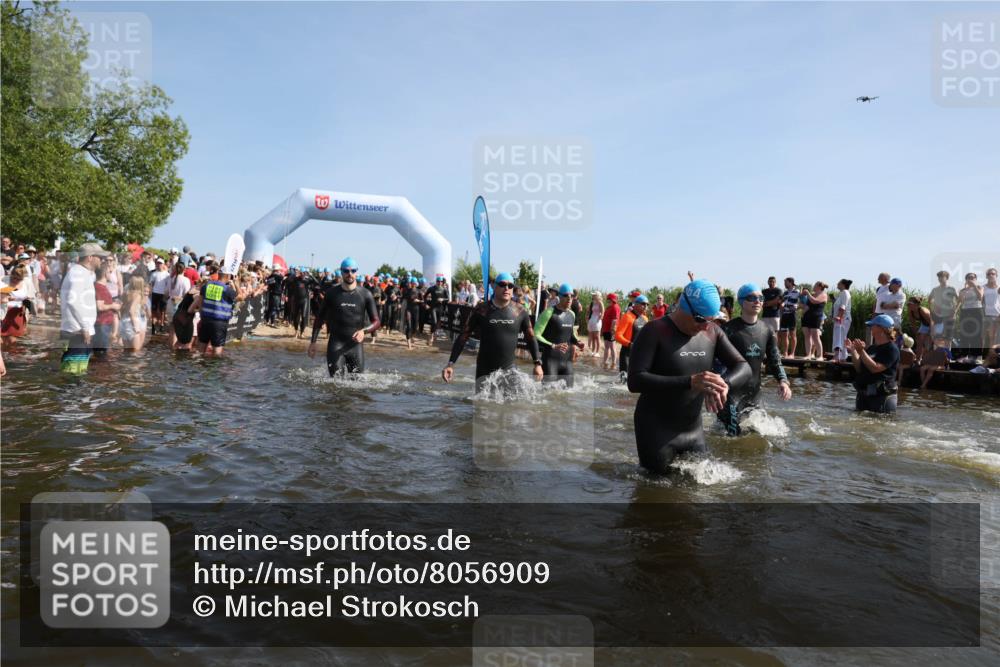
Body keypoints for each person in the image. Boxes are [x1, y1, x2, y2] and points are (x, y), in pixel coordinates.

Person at [627, 280, 751, 472]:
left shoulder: (712, 332)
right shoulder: (654, 331)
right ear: (683, 307)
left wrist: (722, 384)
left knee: (700, 495)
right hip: (656, 430)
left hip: (694, 431)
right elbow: (635, 381)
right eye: (701, 319)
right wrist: (690, 382)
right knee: (656, 491)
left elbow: (743, 366)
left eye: (710, 320)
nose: (705, 326)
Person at [442, 272, 542, 391]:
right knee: (481, 407)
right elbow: (463, 336)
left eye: (510, 286)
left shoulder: (520, 311)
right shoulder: (481, 309)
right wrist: (450, 364)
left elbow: (531, 338)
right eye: (502, 284)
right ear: (494, 286)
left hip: (509, 370)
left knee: (509, 407)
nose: (506, 288)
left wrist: (537, 364)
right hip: (484, 370)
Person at [717, 283, 792, 435]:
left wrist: (783, 381)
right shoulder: (728, 329)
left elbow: (775, 359)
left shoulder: (767, 330)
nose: (757, 301)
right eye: (752, 298)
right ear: (741, 302)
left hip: (754, 393)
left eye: (760, 298)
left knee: (758, 434)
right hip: (731, 394)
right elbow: (715, 361)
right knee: (732, 437)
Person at [308, 257, 381, 375]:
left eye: (353, 271)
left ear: (357, 272)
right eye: (346, 271)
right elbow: (319, 318)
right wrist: (313, 342)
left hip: (355, 346)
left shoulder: (365, 294)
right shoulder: (332, 293)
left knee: (356, 386)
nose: (349, 274)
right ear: (341, 272)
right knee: (335, 385)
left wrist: (364, 331)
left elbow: (377, 321)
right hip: (336, 344)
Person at [59, 243, 109, 373]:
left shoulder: (80, 272)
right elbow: (72, 301)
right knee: (72, 374)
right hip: (77, 331)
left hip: (77, 330)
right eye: (100, 257)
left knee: (76, 372)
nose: (102, 260)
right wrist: (85, 327)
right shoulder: (79, 274)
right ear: (90, 257)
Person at [845, 314, 900, 414]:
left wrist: (861, 351)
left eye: (873, 325)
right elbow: (859, 368)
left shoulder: (892, 349)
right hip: (865, 394)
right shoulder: (872, 348)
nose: (870, 327)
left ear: (881, 329)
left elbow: (875, 368)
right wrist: (853, 350)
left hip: (882, 397)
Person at [534, 283, 586, 386]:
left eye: (571, 296)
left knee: (569, 394)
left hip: (567, 362)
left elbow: (570, 334)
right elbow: (536, 335)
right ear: (560, 296)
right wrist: (553, 345)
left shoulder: (572, 314)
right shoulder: (549, 313)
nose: (569, 298)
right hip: (550, 361)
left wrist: (577, 342)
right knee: (548, 396)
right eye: (566, 295)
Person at [190, 266, 239, 357]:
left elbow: (200, 302)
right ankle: (215, 370)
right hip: (219, 323)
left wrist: (202, 314)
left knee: (200, 349)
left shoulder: (206, 286)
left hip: (206, 320)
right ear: (228, 276)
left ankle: (196, 368)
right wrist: (237, 283)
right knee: (217, 351)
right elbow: (241, 297)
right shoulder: (227, 289)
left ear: (218, 274)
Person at [615, 294, 649, 383]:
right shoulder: (627, 317)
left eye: (647, 304)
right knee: (624, 382)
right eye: (643, 304)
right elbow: (618, 336)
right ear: (635, 304)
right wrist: (630, 344)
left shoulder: (645, 319)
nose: (645, 306)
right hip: (627, 354)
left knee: (638, 381)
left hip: (640, 355)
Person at [92, 263, 120, 355]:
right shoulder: (99, 287)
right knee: (101, 355)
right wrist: (113, 306)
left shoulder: (102, 286)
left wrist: (113, 305)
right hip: (101, 325)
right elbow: (99, 306)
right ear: (104, 274)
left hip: (105, 324)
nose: (110, 274)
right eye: (109, 272)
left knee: (103, 353)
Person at [956, 272, 984, 357]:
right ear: (966, 280)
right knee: (964, 333)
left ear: (975, 279)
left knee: (976, 333)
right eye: (969, 277)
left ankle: (976, 355)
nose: (971, 279)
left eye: (973, 277)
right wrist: (965, 288)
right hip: (965, 311)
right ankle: (964, 355)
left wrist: (974, 286)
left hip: (976, 311)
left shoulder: (979, 287)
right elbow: (960, 301)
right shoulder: (962, 290)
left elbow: (980, 298)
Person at [119, 275, 150, 352]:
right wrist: (135, 326)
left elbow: (121, 308)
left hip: (123, 322)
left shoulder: (125, 294)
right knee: (136, 352)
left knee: (126, 351)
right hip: (132, 322)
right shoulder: (137, 295)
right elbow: (131, 310)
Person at [1, 266, 30, 345]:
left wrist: (26, 318)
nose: (16, 280)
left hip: (17, 314)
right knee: (1, 339)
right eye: (14, 278)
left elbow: (28, 300)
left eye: (19, 279)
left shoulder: (26, 283)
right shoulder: (3, 280)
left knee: (12, 340)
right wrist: (6, 298)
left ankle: (10, 356)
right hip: (3, 311)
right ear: (11, 274)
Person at [928, 270, 958, 344]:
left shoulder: (951, 289)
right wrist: (934, 307)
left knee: (948, 337)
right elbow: (929, 300)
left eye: (942, 277)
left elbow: (959, 300)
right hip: (938, 316)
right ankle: (938, 354)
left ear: (947, 278)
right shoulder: (935, 289)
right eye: (939, 277)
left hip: (949, 315)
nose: (940, 278)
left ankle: (948, 355)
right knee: (937, 336)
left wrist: (955, 311)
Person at [800, 281, 829, 360]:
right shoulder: (812, 294)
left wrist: (808, 293)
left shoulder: (823, 295)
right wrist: (802, 310)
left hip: (816, 317)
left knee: (815, 336)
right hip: (807, 316)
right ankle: (808, 355)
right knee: (807, 335)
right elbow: (807, 306)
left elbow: (815, 301)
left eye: (815, 285)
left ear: (819, 286)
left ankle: (820, 356)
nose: (813, 286)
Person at [425, 274, 450, 346]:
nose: (439, 282)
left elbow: (448, 299)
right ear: (436, 282)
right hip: (433, 308)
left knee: (437, 323)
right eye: (438, 281)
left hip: (440, 308)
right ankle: (431, 337)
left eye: (440, 281)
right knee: (434, 322)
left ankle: (432, 334)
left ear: (442, 282)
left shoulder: (444, 289)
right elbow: (425, 296)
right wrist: (426, 304)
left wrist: (443, 299)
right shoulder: (432, 288)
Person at [778, 277, 800, 358]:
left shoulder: (797, 291)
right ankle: (785, 353)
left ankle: (792, 354)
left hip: (792, 315)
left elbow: (801, 302)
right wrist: (782, 305)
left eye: (786, 282)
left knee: (793, 334)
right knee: (784, 335)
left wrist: (796, 306)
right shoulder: (785, 293)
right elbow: (781, 302)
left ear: (790, 282)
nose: (784, 284)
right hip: (784, 315)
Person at [832, 279, 853, 361]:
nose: (837, 284)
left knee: (838, 337)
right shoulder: (841, 293)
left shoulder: (845, 292)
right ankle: (843, 357)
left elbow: (843, 306)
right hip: (842, 318)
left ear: (843, 285)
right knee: (842, 337)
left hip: (843, 319)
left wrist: (839, 317)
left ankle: (837, 357)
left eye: (839, 283)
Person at [906, 296, 932, 364]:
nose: (909, 306)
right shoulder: (910, 311)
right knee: (919, 341)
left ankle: (927, 359)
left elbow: (932, 323)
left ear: (917, 305)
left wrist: (929, 334)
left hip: (935, 324)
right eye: (908, 304)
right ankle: (918, 359)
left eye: (910, 304)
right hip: (924, 324)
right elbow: (913, 324)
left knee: (928, 342)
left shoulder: (923, 311)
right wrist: (916, 334)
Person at [600, 293, 620, 370]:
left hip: (611, 330)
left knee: (612, 347)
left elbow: (615, 320)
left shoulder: (615, 307)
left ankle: (614, 363)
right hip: (606, 329)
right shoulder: (609, 307)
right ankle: (605, 362)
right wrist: (603, 329)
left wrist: (612, 329)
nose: (607, 300)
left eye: (608, 299)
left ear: (612, 299)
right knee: (606, 347)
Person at [403, 277, 423, 350]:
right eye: (412, 283)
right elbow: (403, 298)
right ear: (410, 283)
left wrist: (418, 301)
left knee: (415, 327)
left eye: (414, 283)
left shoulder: (419, 291)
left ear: (416, 283)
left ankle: (412, 336)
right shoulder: (407, 291)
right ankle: (409, 345)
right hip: (408, 309)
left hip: (416, 309)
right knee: (409, 325)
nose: (413, 284)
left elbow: (423, 301)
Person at [985, 268, 1000, 348]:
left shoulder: (999, 287)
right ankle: (984, 357)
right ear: (986, 276)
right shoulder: (982, 287)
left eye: (993, 274)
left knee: (996, 338)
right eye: (989, 274)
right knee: (985, 338)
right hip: (985, 315)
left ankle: (994, 357)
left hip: (997, 315)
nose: (991, 275)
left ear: (996, 276)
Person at [586, 291, 603, 356]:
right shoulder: (593, 303)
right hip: (592, 319)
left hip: (597, 321)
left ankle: (597, 352)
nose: (592, 296)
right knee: (593, 337)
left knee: (597, 337)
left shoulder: (600, 303)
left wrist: (599, 319)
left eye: (594, 295)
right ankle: (593, 351)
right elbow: (590, 311)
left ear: (597, 296)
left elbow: (602, 311)